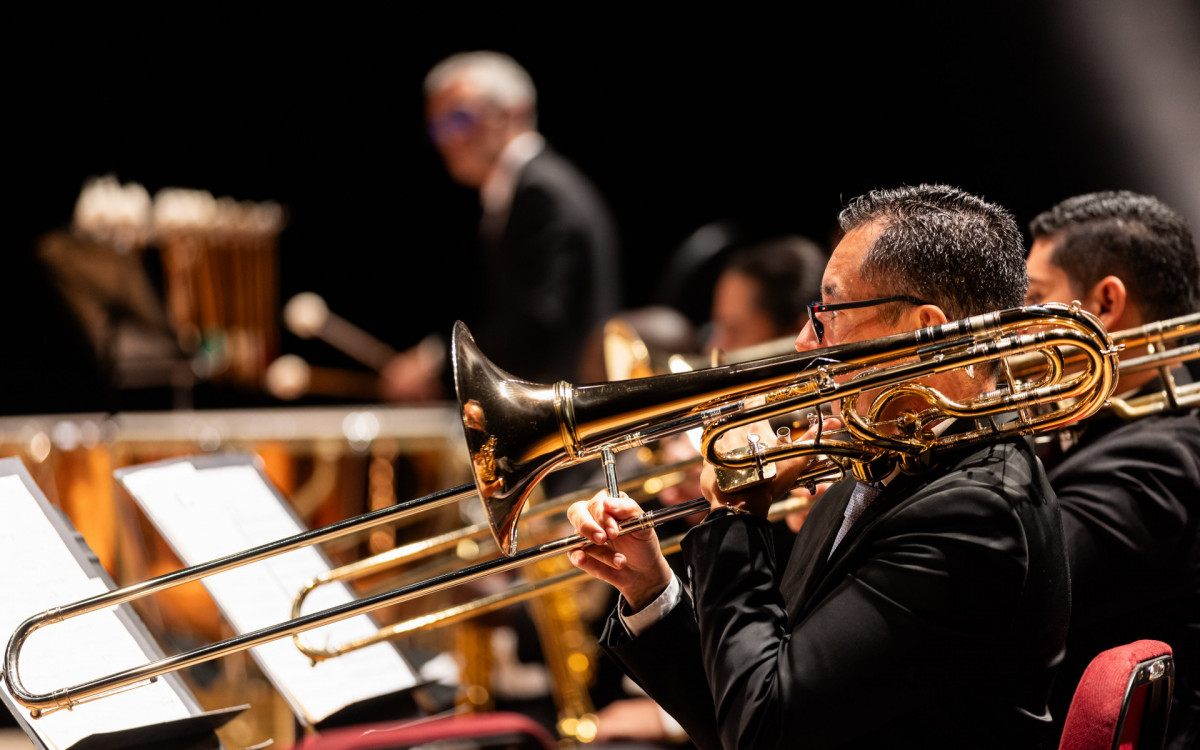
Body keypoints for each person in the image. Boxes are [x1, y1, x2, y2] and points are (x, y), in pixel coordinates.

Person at [566, 185, 1069, 749]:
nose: (805, 341)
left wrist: (735, 514)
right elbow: (739, 711)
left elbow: (765, 730)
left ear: (921, 332)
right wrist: (651, 586)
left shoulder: (977, 513)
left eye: (830, 311)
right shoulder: (878, 462)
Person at [1026, 190, 1200, 750]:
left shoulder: (1165, 457)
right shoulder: (1086, 422)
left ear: (1104, 303)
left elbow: (1019, 591)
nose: (1016, 327)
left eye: (1034, 300)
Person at [382, 51, 621, 400]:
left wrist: (438, 363)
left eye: (459, 119)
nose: (447, 139)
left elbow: (536, 322)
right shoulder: (526, 189)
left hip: (570, 418)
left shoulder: (541, 193)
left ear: (515, 110)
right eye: (438, 127)